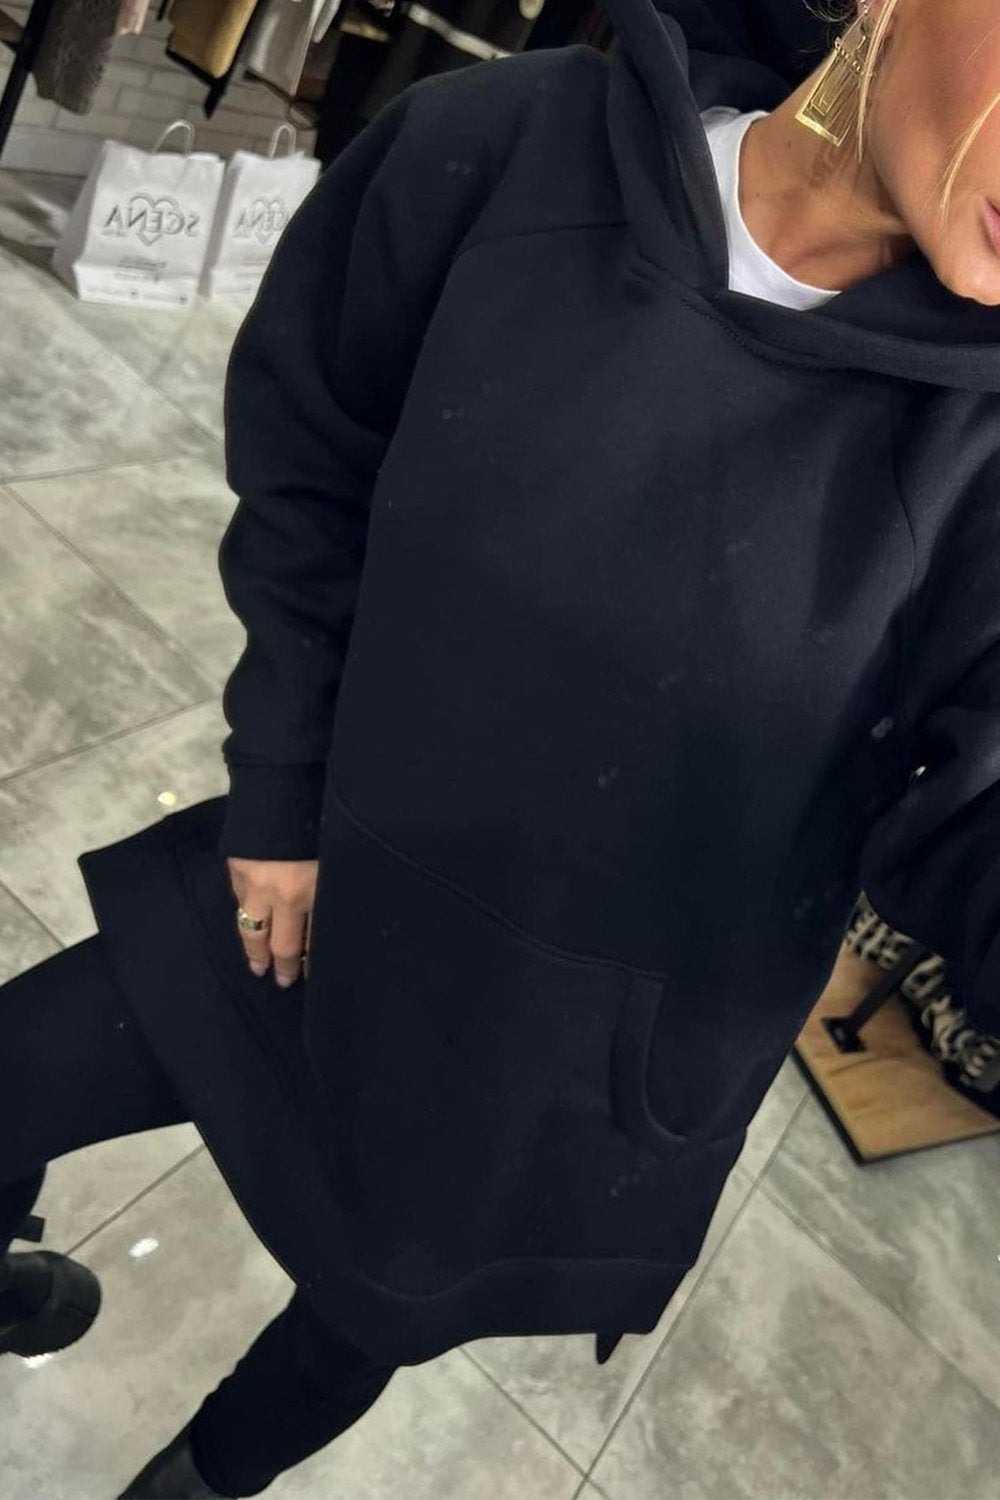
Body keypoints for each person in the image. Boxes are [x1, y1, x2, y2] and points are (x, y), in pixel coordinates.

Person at [5, 0, 1000, 1494]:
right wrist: (278, 792)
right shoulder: (509, 150)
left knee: (369, 1313)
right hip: (329, 895)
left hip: (573, 1059)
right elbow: (314, 473)